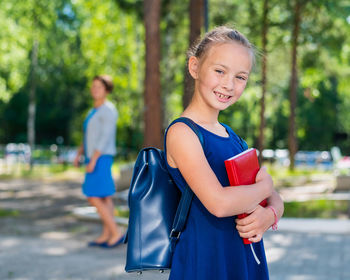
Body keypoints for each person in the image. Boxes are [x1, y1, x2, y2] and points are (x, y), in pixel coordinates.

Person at [165, 26, 284, 279]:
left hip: (243, 258)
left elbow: (274, 198)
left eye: (241, 77)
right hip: (206, 262)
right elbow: (219, 203)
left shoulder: (233, 138)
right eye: (219, 71)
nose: (228, 84)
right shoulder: (183, 133)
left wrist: (269, 214)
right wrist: (265, 187)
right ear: (194, 67)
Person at [73, 75, 124, 248]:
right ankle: (107, 234)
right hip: (92, 156)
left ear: (107, 90)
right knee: (104, 197)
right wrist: (79, 153)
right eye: (93, 86)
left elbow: (104, 138)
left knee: (93, 195)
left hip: (101, 158)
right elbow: (88, 136)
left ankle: (116, 232)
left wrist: (94, 159)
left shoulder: (109, 110)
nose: (95, 89)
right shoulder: (92, 111)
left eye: (99, 87)